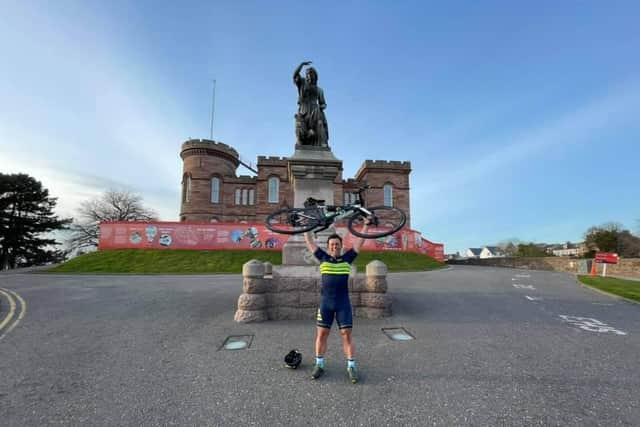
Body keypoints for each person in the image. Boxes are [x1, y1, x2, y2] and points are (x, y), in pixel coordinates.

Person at [303, 221, 369, 384]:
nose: (334, 247)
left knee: (346, 335)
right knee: (322, 334)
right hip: (326, 304)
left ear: (341, 246)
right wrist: (307, 227)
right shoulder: (322, 257)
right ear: (328, 246)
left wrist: (366, 226)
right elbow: (310, 242)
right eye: (332, 244)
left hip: (342, 304)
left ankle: (351, 366)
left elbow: (359, 242)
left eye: (337, 244)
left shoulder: (347, 258)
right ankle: (319, 364)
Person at [293, 61, 329, 147]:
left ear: (315, 76)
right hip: (303, 110)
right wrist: (301, 64)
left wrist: (320, 107)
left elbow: (323, 104)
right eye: (307, 74)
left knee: (320, 121)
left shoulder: (319, 90)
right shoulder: (302, 84)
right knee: (299, 125)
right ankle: (303, 138)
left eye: (310, 74)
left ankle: (322, 142)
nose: (308, 76)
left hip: (315, 111)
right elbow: (295, 75)